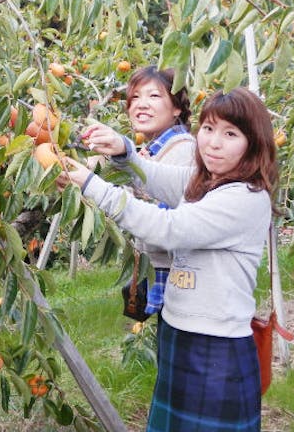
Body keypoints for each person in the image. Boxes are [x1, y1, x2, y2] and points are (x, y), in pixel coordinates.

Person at [61, 87, 277, 431]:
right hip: (179, 331)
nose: (213, 143)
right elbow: (158, 179)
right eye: (208, 129)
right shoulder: (208, 182)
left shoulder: (245, 198)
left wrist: (93, 186)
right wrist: (124, 151)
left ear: (254, 143)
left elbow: (167, 228)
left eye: (230, 134)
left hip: (217, 347)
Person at [121, 66, 195, 316]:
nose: (141, 105)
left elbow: (162, 220)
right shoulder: (155, 150)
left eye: (154, 96)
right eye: (135, 97)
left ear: (177, 108)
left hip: (177, 276)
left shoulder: (183, 151)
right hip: (163, 270)